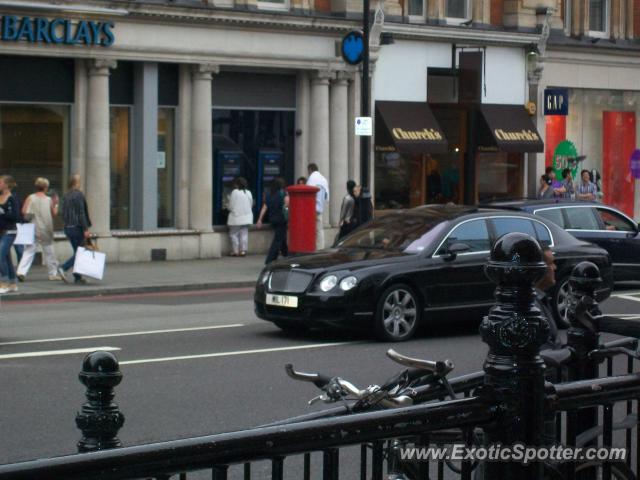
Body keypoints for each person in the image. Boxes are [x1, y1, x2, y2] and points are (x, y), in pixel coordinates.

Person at [16, 178, 61, 281]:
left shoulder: (30, 198)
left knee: (29, 251)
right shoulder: (49, 200)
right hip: (46, 228)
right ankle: (52, 273)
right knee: (49, 251)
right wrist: (56, 204)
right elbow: (54, 214)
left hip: (33, 227)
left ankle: (21, 272)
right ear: (45, 188)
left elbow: (24, 211)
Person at [59, 174, 91, 284]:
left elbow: (62, 213)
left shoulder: (66, 196)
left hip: (68, 227)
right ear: (77, 183)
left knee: (77, 252)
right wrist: (85, 228)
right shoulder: (78, 195)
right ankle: (63, 268)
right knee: (81, 252)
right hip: (77, 227)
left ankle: (78, 277)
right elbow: (81, 213)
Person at [257, 177, 289, 264]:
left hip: (272, 219)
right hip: (281, 220)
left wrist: (260, 219)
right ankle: (270, 260)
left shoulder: (269, 194)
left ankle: (287, 254)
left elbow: (265, 207)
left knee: (282, 238)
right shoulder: (283, 194)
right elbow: (287, 204)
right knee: (277, 240)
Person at [536, 246, 560, 349]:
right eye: (550, 263)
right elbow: (545, 351)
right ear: (539, 269)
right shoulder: (532, 307)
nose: (555, 267)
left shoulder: (540, 298)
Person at [0, 176, 19, 293]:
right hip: (0, 231)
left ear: (6, 185)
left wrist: (3, 213)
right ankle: (13, 283)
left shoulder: (12, 198)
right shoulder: (0, 197)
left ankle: (4, 283)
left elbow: (15, 216)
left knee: (0, 256)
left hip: (10, 231)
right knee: (7, 258)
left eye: (0, 182)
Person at [226, 177, 253, 257]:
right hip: (247, 217)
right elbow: (251, 204)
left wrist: (227, 207)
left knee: (233, 234)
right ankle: (243, 251)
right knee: (244, 234)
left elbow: (231, 206)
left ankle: (235, 251)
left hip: (236, 217)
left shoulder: (235, 192)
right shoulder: (248, 192)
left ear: (236, 184)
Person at [306, 163, 329, 250]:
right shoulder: (323, 179)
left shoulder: (312, 178)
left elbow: (307, 193)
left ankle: (313, 247)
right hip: (320, 208)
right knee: (319, 229)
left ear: (310, 170)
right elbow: (326, 195)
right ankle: (320, 248)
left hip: (312, 207)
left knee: (312, 230)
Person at [5, 176, 23, 264]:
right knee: (16, 249)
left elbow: (19, 210)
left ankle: (20, 269)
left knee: (19, 249)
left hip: (15, 225)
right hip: (8, 226)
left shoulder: (14, 196)